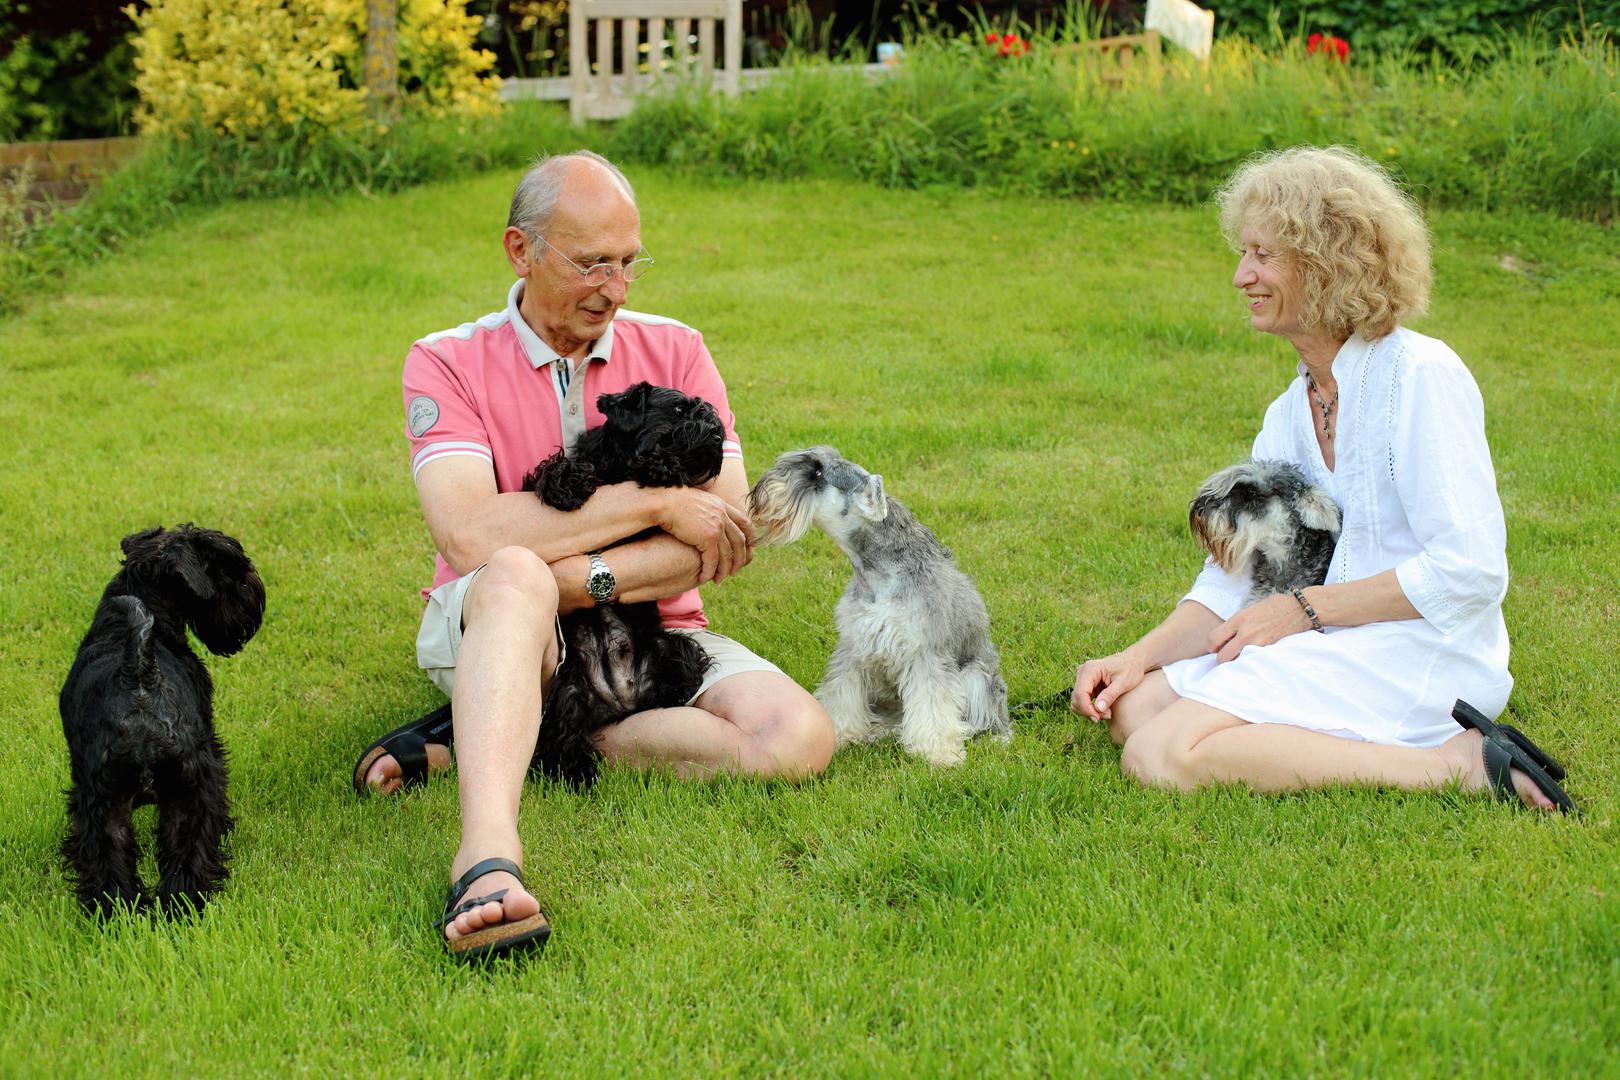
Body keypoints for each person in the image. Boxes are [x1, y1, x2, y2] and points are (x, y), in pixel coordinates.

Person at [353, 150, 835, 960]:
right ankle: (487, 859)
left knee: (798, 740)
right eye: (590, 264)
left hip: (647, 632)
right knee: (507, 574)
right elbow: (470, 536)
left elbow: (723, 532)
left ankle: (520, 733)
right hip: (506, 626)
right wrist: (654, 505)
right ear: (521, 250)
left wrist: (570, 575)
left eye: (628, 262)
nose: (613, 289)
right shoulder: (445, 359)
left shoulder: (678, 349)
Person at [1070, 145, 1577, 814]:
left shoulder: (1422, 377)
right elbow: (1245, 576)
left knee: (1159, 753)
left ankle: (1457, 767)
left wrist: (1305, 611)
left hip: (1423, 646)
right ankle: (1312, 735)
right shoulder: (1292, 409)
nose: (1240, 275)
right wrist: (1136, 656)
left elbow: (1471, 572)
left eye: (1261, 254)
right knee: (1134, 708)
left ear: (1326, 263)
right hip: (1323, 634)